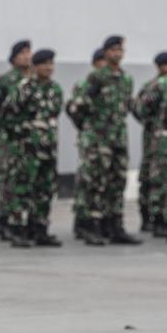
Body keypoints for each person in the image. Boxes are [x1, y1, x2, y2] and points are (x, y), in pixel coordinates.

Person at [70, 35, 141, 246]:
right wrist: (90, 131)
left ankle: (115, 225)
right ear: (106, 52)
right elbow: (76, 108)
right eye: (113, 50)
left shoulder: (126, 79)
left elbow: (128, 107)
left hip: (118, 139)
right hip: (97, 141)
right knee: (95, 184)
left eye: (120, 50)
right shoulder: (95, 78)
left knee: (117, 182)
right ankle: (92, 225)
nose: (117, 53)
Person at [0, 48, 64, 248]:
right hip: (26, 149)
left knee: (45, 190)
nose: (48, 67)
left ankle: (40, 229)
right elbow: (7, 116)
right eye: (44, 64)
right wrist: (22, 136)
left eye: (51, 64)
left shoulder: (55, 89)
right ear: (35, 67)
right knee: (21, 189)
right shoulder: (24, 88)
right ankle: (17, 229)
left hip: (48, 148)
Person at [0, 40, 31, 239]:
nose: (27, 56)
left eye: (29, 52)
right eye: (22, 53)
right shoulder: (4, 80)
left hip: (28, 139)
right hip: (10, 138)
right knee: (6, 179)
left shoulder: (33, 79)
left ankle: (19, 219)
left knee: (23, 179)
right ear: (14, 57)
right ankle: (2, 220)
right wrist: (5, 129)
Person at [131, 52, 167, 232]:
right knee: (151, 177)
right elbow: (139, 109)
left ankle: (162, 217)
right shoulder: (153, 86)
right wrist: (152, 124)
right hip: (154, 140)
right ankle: (148, 217)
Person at [66, 48, 106, 239]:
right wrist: (86, 129)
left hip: (111, 141)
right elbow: (74, 109)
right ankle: (83, 222)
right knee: (89, 181)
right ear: (95, 63)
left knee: (108, 182)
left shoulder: (117, 82)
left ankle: (106, 222)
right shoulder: (85, 84)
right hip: (92, 140)